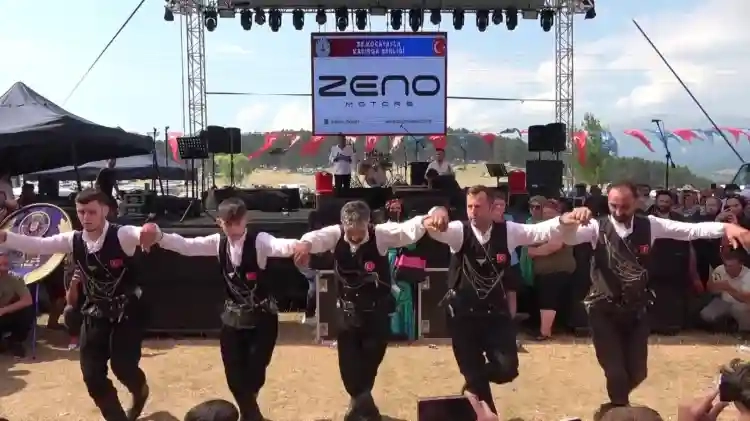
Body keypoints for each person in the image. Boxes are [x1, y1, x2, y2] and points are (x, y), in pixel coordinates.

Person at [559, 181, 750, 411]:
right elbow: (568, 239)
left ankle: (614, 408)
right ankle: (618, 411)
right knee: (616, 372)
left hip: (636, 310)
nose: (618, 212)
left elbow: (689, 231)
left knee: (639, 373)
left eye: (624, 206)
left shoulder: (650, 225)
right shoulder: (595, 227)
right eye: (613, 206)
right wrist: (568, 221)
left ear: (637, 202)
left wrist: (726, 228)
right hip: (603, 309)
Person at [140, 197, 300, 421]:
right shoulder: (218, 242)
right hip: (232, 318)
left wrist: (302, 245)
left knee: (255, 374)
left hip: (261, 319)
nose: (233, 229)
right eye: (227, 224)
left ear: (245, 220)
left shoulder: (260, 240)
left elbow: (281, 246)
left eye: (237, 223)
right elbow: (187, 246)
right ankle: (252, 416)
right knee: (234, 375)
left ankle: (250, 414)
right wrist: (159, 236)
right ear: (219, 222)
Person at [0, 188, 150, 421]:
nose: (86, 217)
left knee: (123, 367)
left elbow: (145, 234)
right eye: (81, 212)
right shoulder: (74, 240)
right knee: (92, 375)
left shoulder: (122, 235)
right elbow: (38, 244)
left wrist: (151, 231)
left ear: (105, 211)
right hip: (95, 312)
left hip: (126, 313)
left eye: (92, 212)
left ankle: (140, 391)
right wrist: (6, 237)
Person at [424, 185, 572, 414]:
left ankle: (473, 384)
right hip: (463, 315)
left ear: (492, 207)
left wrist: (563, 220)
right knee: (474, 374)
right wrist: (436, 212)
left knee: (507, 369)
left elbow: (538, 232)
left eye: (478, 206)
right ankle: (479, 396)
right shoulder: (459, 231)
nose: (473, 212)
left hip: (495, 314)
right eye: (469, 206)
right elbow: (434, 230)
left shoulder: (508, 231)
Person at [292, 200, 439, 420]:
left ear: (368, 223)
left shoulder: (380, 234)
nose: (354, 237)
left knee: (369, 367)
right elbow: (316, 237)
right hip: (348, 316)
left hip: (376, 315)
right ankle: (367, 410)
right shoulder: (335, 234)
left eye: (359, 232)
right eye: (350, 232)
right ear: (343, 225)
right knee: (348, 369)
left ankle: (360, 409)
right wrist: (304, 244)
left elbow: (406, 230)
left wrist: (428, 218)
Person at [527, 204, 576, 340]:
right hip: (545, 272)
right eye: (545, 213)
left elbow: (554, 245)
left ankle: (545, 333)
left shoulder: (562, 227)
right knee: (547, 300)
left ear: (558, 214)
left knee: (548, 300)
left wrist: (536, 251)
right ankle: (547, 329)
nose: (547, 216)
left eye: (551, 213)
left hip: (556, 270)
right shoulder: (541, 228)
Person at [700, 250, 750, 332]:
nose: (727, 268)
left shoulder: (748, 275)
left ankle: (744, 332)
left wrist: (729, 288)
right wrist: (713, 286)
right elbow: (710, 289)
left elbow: (746, 298)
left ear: (740, 264)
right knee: (706, 314)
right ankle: (722, 330)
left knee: (742, 311)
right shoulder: (720, 270)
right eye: (726, 265)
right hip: (723, 301)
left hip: (741, 304)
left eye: (731, 266)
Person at [0, 252, 34, 358]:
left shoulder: (15, 279)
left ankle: (16, 341)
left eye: (5, 263)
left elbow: (27, 300)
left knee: (27, 310)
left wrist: (4, 310)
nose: (4, 267)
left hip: (6, 313)